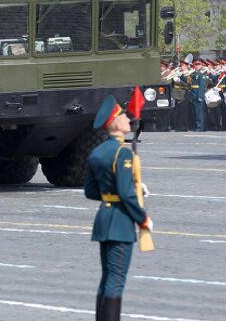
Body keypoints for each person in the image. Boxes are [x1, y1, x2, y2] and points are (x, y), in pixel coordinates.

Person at [85, 95, 153, 321]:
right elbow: (125, 194)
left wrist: (117, 191)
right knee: (117, 278)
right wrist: (143, 218)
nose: (127, 118)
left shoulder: (97, 152)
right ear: (114, 123)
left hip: (104, 218)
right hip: (121, 222)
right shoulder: (122, 152)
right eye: (123, 115)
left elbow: (91, 191)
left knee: (107, 278)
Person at [190, 59, 207, 131]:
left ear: (201, 66)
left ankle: (200, 127)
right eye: (196, 65)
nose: (197, 66)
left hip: (198, 94)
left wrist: (200, 96)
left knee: (199, 113)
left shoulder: (201, 75)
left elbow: (202, 86)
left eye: (198, 65)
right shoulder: (193, 74)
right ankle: (196, 126)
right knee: (194, 112)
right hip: (193, 94)